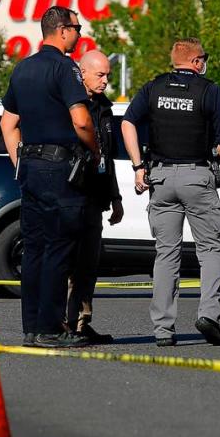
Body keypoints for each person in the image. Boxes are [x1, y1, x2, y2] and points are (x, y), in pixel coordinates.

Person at [121, 38, 220, 347]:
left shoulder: (153, 88)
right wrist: (211, 156)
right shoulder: (209, 90)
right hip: (197, 176)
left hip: (159, 178)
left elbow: (128, 122)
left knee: (166, 254)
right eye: (204, 58)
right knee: (210, 249)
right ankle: (208, 314)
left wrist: (137, 166)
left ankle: (162, 330)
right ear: (196, 62)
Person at [0, 6, 99, 348]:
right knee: (60, 249)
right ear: (61, 31)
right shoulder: (64, 67)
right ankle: (50, 329)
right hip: (60, 170)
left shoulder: (23, 68)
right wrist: (95, 151)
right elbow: (83, 121)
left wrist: (21, 161)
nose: (80, 32)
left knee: (36, 250)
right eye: (77, 27)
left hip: (30, 169)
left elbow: (7, 124)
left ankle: (32, 328)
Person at [63, 50, 124, 345]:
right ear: (82, 72)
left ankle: (81, 322)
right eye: (100, 75)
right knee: (68, 262)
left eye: (108, 76)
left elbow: (107, 158)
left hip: (95, 196)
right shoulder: (70, 105)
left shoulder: (104, 109)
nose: (105, 81)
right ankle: (62, 323)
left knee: (88, 265)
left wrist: (115, 197)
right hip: (72, 192)